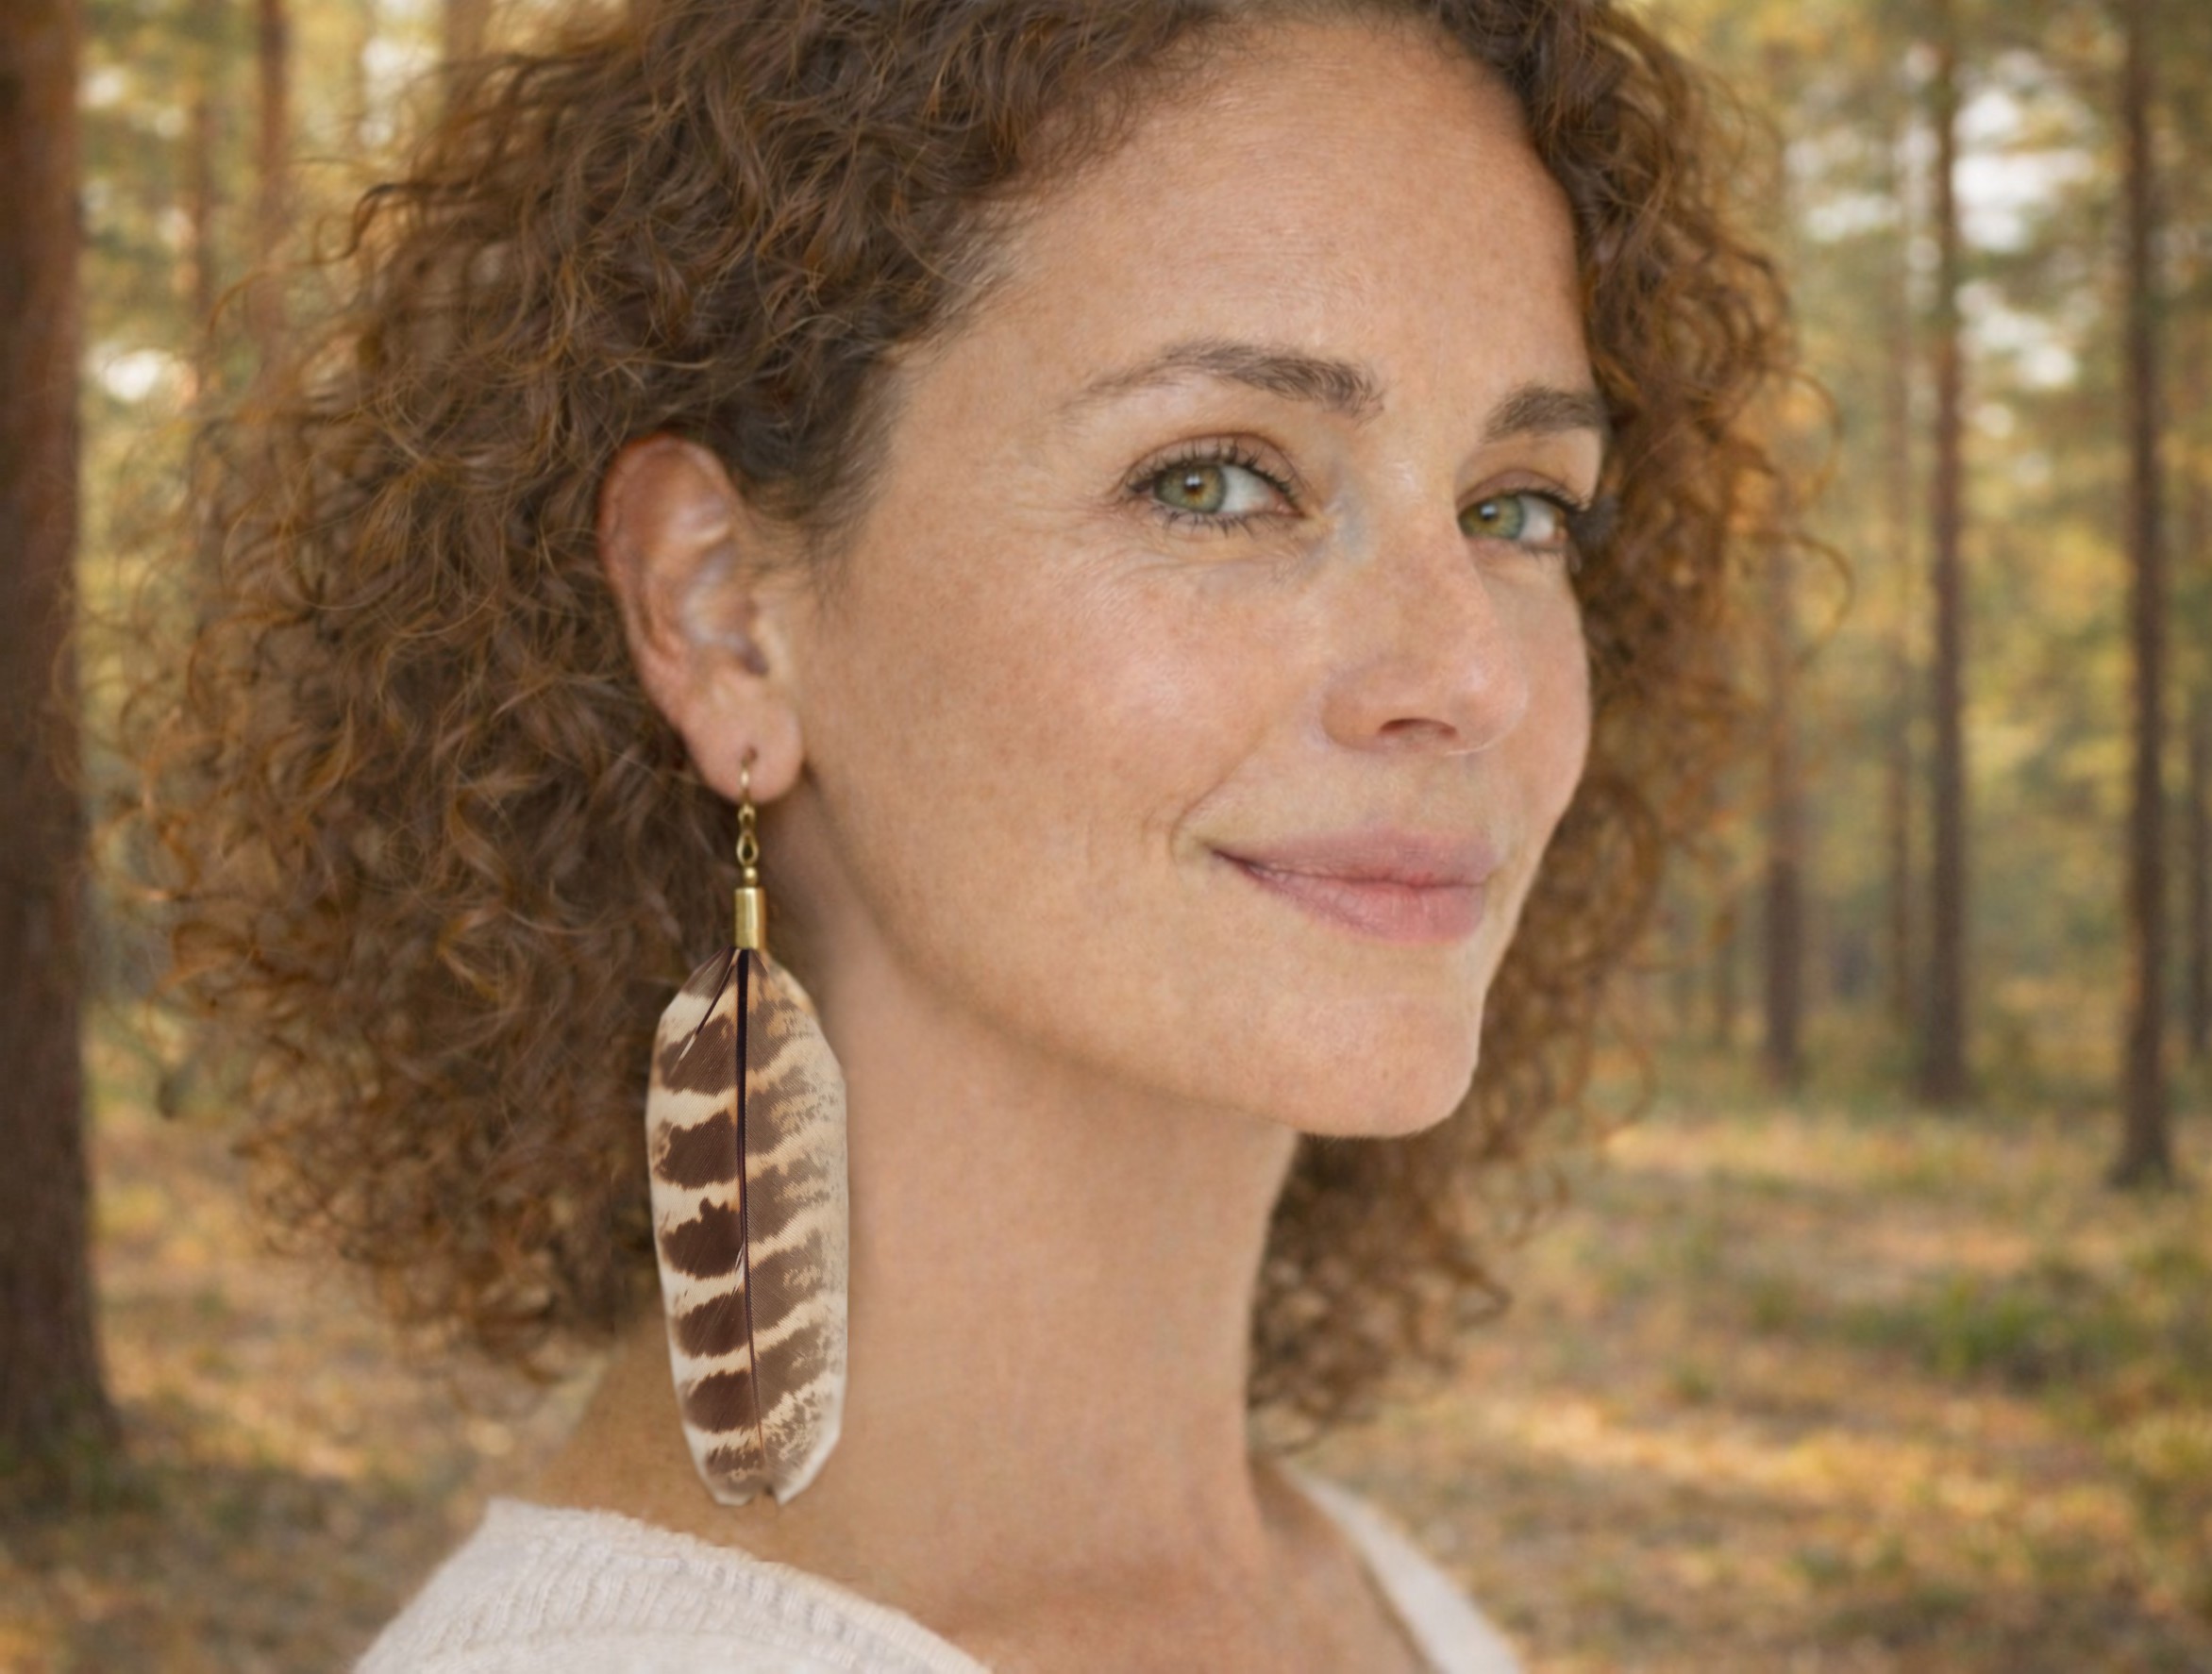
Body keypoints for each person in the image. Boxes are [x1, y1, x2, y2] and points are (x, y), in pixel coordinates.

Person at [123, 0, 1790, 1666]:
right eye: (1214, 481)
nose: (1473, 674)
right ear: (722, 616)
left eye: (1516, 507)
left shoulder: (1374, 1592)